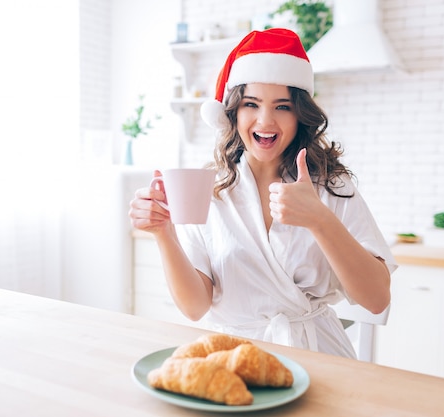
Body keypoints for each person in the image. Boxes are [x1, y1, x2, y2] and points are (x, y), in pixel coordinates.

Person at [128, 28, 397, 359]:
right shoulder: (209, 189)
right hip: (232, 357)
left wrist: (320, 220)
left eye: (282, 106)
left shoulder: (331, 185)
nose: (265, 120)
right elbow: (195, 307)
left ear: (301, 116)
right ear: (233, 113)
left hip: (318, 355)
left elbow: (376, 298)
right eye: (251, 104)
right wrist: (164, 234)